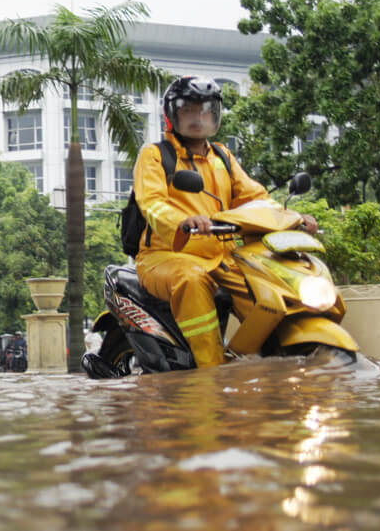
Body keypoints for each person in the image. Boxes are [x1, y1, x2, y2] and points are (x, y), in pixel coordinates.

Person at [132, 75, 318, 368]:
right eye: (189, 111)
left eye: (205, 111)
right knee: (191, 280)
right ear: (172, 115)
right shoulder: (155, 155)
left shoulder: (223, 157)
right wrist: (184, 221)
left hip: (224, 256)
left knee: (276, 296)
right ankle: (211, 372)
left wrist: (293, 219)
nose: (198, 118)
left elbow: (256, 198)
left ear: (215, 115)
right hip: (166, 256)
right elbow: (151, 203)